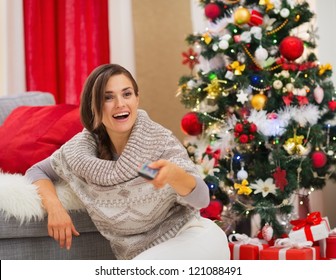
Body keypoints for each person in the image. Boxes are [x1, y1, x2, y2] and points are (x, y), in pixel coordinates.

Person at [25, 63, 230, 260]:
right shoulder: (79, 153)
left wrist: (175, 175)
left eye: (127, 94)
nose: (120, 104)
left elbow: (202, 200)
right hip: (140, 259)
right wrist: (55, 208)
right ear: (93, 106)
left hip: (193, 239)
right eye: (108, 97)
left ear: (137, 99)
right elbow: (37, 171)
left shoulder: (158, 141)